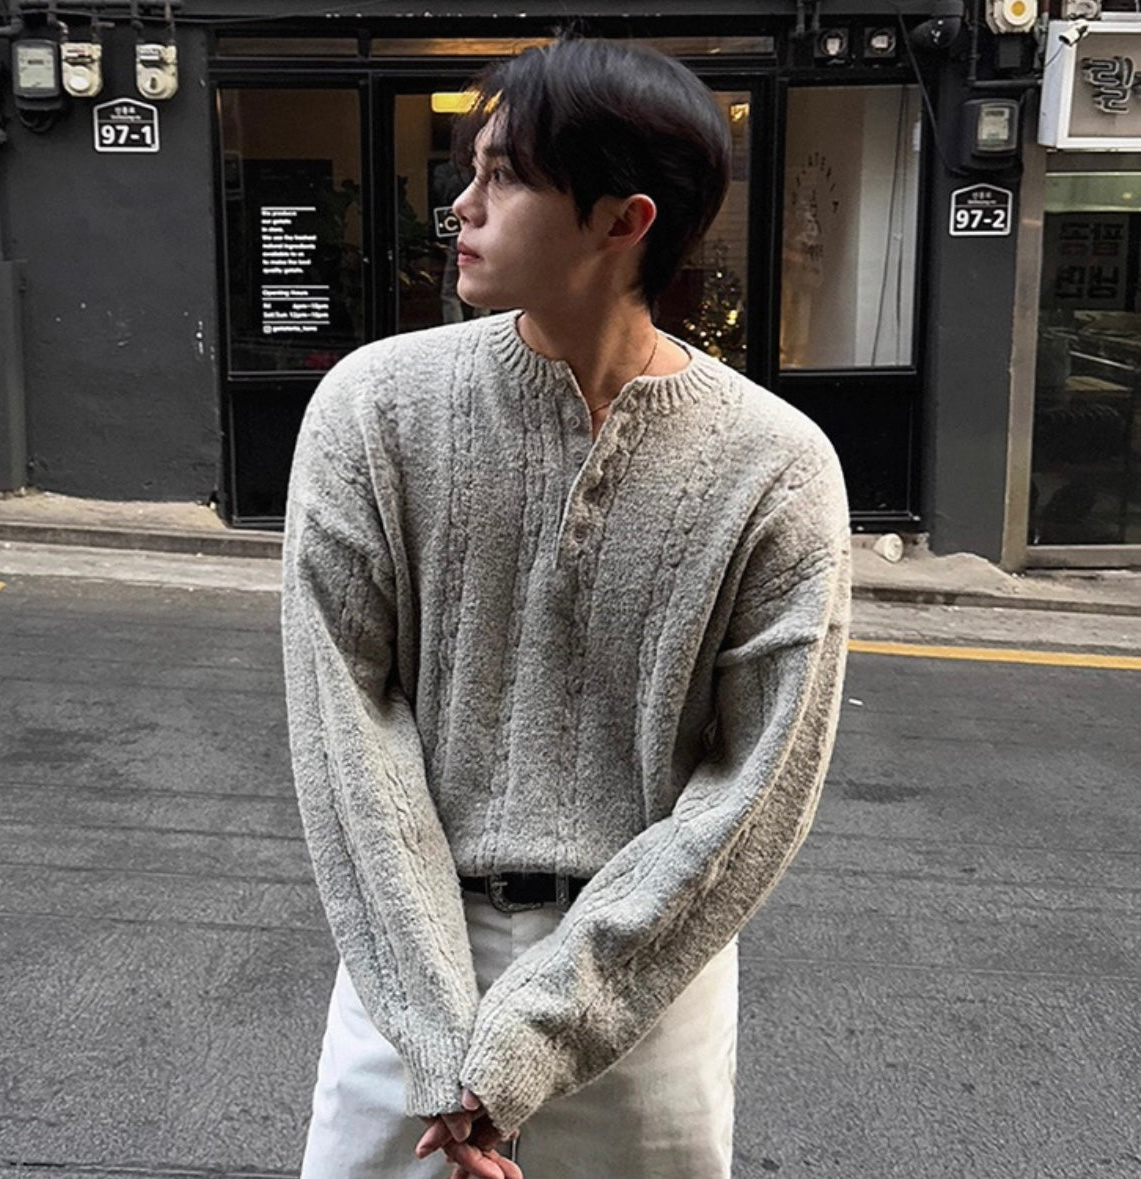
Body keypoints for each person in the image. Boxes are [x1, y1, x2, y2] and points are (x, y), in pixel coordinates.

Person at [281, 36, 851, 1179]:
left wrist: (544, 1029)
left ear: (622, 221)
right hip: (411, 967)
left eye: (505, 177)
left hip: (644, 984)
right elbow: (345, 722)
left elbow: (759, 785)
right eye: (471, 170)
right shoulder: (373, 408)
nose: (462, 206)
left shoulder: (778, 466)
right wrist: (441, 1038)